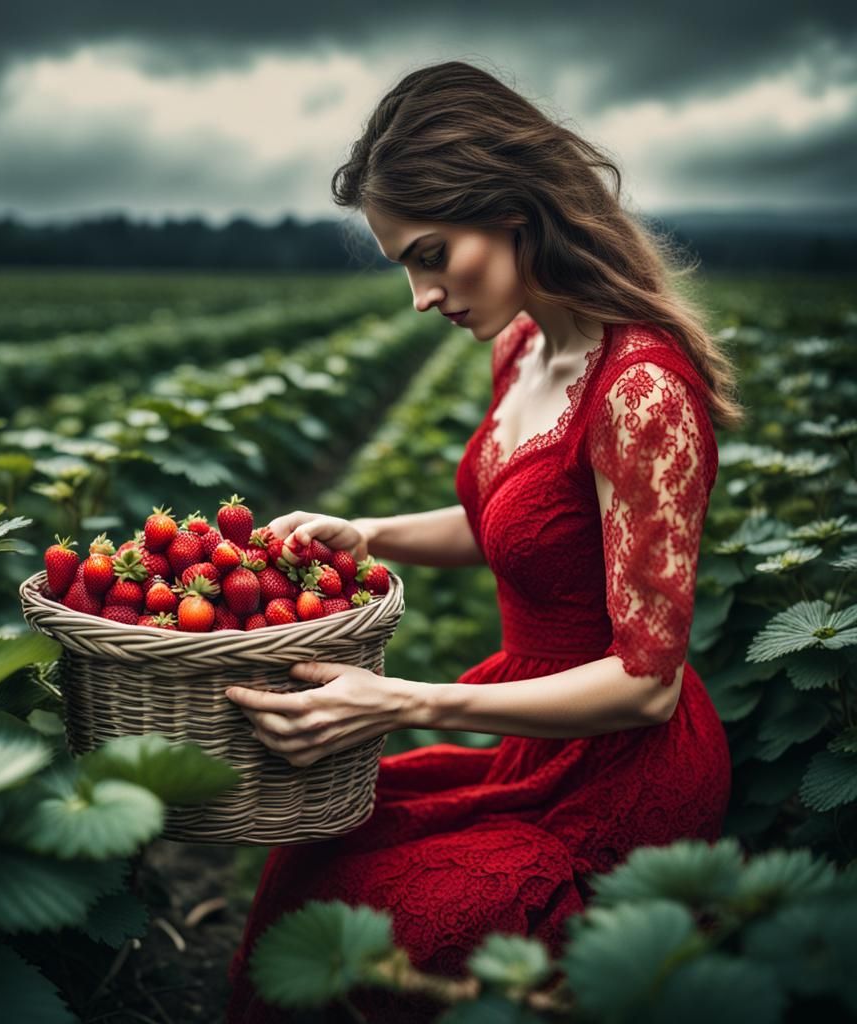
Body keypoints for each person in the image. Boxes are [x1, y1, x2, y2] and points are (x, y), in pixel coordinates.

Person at [223, 59, 743, 1023]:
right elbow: (525, 528)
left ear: (513, 208)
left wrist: (400, 702)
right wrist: (367, 530)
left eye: (430, 253)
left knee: (420, 918)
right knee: (320, 851)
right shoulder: (524, 344)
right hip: (530, 740)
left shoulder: (640, 394)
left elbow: (648, 683)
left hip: (621, 775)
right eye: (405, 266)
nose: (422, 296)